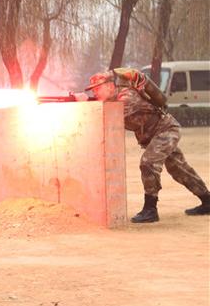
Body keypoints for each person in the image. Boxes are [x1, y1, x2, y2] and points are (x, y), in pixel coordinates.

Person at [76, 68, 210, 223]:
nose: (95, 92)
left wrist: (85, 102)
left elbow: (109, 115)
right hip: (156, 135)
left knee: (148, 163)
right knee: (179, 168)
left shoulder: (127, 97)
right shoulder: (114, 99)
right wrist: (84, 101)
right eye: (93, 90)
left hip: (166, 130)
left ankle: (150, 209)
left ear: (110, 86)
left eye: (97, 89)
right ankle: (207, 201)